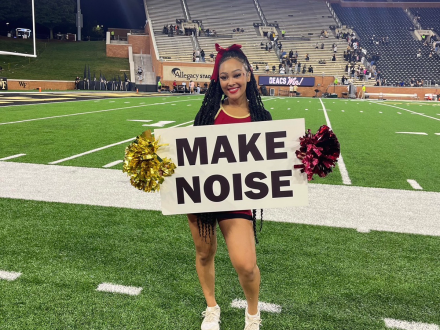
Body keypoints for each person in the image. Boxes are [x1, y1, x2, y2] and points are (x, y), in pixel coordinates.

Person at [189, 43, 272, 330]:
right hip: (202, 194)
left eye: (236, 75)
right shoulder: (208, 115)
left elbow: (269, 166)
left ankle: (252, 314)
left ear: (248, 74)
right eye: (224, 77)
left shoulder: (262, 119)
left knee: (246, 265)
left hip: (238, 197)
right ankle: (212, 308)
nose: (230, 82)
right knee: (204, 253)